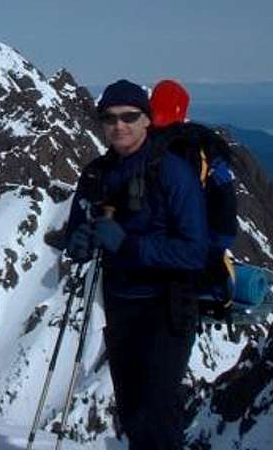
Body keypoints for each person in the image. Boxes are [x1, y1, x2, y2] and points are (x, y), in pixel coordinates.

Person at [56, 79, 207, 450]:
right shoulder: (96, 174)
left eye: (129, 116)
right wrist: (77, 244)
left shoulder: (172, 173)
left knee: (155, 416)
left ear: (147, 120)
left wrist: (129, 245)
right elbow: (79, 230)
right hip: (122, 304)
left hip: (167, 306)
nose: (119, 125)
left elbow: (194, 252)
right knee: (134, 414)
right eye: (109, 118)